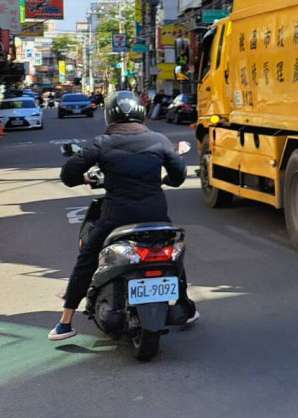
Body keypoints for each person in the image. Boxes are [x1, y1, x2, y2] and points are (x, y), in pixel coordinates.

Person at [49, 91, 197, 341]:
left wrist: (84, 178)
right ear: (141, 112)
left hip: (116, 218)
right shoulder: (159, 140)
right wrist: (164, 179)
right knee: (173, 254)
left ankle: (65, 322)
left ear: (110, 115)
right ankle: (185, 304)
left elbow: (68, 175)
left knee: (87, 260)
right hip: (156, 215)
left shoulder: (101, 142)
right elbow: (178, 176)